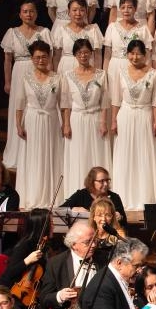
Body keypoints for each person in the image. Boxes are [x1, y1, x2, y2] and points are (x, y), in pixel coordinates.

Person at [109, 40, 156, 210]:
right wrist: (114, 119)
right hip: (125, 116)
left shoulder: (155, 74)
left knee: (144, 154)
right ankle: (123, 197)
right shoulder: (121, 72)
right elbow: (116, 99)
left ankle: (144, 197)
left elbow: (155, 101)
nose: (135, 56)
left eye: (139, 53)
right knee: (125, 155)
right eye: (131, 53)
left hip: (145, 116)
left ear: (145, 55)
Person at [37, 220, 98, 309]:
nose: (94, 245)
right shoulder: (56, 263)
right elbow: (44, 298)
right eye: (88, 242)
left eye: (95, 240)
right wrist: (59, 296)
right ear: (74, 245)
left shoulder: (102, 259)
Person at [60, 40, 111, 199]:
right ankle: (78, 193)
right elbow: (66, 102)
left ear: (91, 54)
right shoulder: (68, 75)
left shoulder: (101, 74)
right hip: (76, 119)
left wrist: (103, 122)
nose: (83, 55)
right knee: (78, 154)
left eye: (86, 52)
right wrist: (66, 124)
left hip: (95, 119)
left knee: (96, 154)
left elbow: (104, 100)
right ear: (75, 55)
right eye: (80, 53)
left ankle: (100, 192)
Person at [14, 42, 61, 208]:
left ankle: (49, 195)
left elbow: (63, 103)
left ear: (49, 57)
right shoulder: (25, 77)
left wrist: (65, 123)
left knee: (50, 155)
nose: (41, 60)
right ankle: (32, 195)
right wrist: (19, 125)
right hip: (32, 120)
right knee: (33, 156)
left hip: (51, 120)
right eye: (37, 57)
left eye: (44, 57)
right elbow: (20, 103)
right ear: (32, 59)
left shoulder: (57, 77)